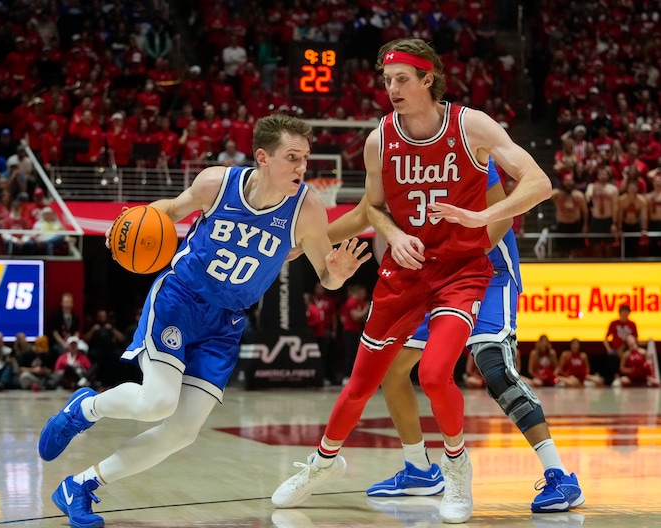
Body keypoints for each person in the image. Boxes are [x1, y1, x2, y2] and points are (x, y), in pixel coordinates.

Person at [37, 113, 371, 528]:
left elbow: (326, 275)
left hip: (226, 322)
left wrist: (338, 273)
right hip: (180, 297)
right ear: (263, 157)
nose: (302, 168)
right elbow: (169, 211)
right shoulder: (218, 183)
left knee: (182, 432)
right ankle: (84, 409)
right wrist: (126, 225)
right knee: (157, 401)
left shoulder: (307, 209)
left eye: (305, 158)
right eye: (292, 158)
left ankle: (80, 486)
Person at [272, 38, 554, 524]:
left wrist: (480, 216)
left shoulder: (472, 126)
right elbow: (371, 210)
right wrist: (327, 239)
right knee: (364, 381)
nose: (392, 88)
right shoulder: (379, 139)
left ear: (429, 79)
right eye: (386, 80)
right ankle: (321, 464)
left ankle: (457, 470)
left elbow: (538, 183)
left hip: (461, 272)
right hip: (404, 273)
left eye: (402, 79)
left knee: (434, 372)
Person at [290, 158, 582, 516]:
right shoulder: (395, 153)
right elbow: (366, 212)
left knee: (494, 368)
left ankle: (559, 475)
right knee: (393, 370)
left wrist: (458, 258)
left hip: (487, 270)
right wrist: (306, 242)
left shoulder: (467, 148)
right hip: (432, 274)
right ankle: (420, 469)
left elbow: (502, 218)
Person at [603, 304, 638, 385]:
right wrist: (609, 349)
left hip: (628, 349)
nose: (625, 313)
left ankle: (631, 376)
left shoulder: (632, 324)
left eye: (627, 311)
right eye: (623, 311)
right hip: (615, 349)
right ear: (620, 312)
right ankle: (616, 376)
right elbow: (605, 339)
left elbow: (635, 339)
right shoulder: (614, 323)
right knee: (611, 355)